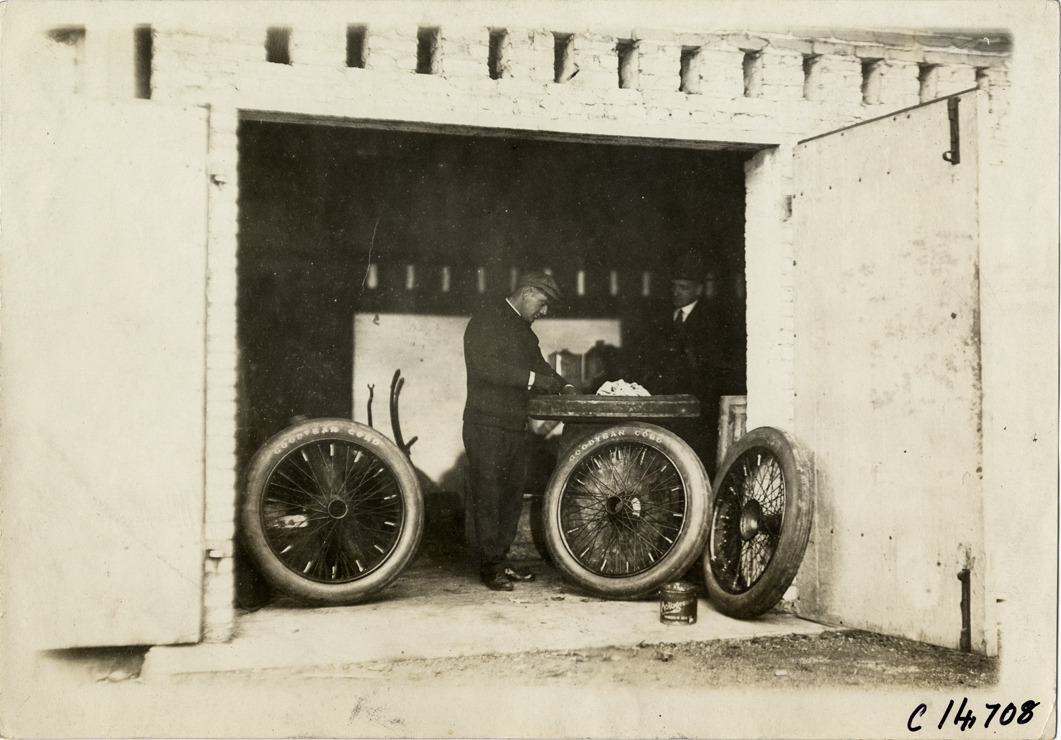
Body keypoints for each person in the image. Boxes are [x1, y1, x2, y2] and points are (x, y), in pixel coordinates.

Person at [463, 271, 577, 591]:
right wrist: (535, 381)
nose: (545, 312)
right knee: (489, 496)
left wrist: (565, 386)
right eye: (543, 303)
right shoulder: (485, 321)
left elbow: (540, 366)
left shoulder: (524, 332)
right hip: (486, 425)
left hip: (513, 426)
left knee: (511, 497)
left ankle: (500, 560)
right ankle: (491, 567)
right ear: (527, 293)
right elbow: (486, 368)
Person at [641, 252, 724, 476]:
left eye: (683, 287)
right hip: (666, 403)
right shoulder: (661, 317)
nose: (676, 292)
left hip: (697, 406)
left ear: (698, 290)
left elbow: (712, 367)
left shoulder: (711, 320)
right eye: (674, 286)